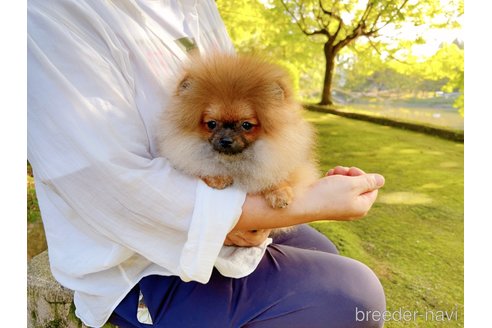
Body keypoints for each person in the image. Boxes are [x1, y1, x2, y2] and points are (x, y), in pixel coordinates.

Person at [27, 0, 386, 327]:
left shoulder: (196, 6)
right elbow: (103, 183)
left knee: (324, 251)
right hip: (139, 261)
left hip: (213, 220)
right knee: (355, 294)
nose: (227, 135)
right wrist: (308, 204)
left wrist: (281, 193)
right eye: (213, 125)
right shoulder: (44, 16)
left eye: (245, 126)